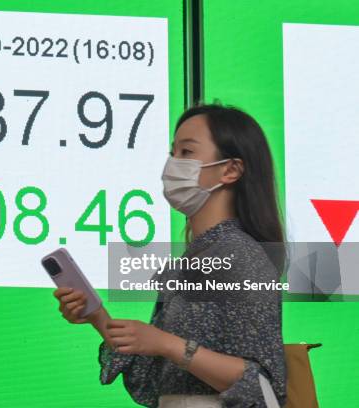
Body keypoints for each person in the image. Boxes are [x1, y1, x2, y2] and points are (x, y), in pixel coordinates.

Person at [53, 103, 287, 407]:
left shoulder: (240, 256)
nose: (172, 164)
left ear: (230, 169)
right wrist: (96, 315)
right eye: (172, 152)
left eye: (187, 153)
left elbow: (259, 382)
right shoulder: (193, 260)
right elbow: (151, 382)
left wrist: (166, 344)